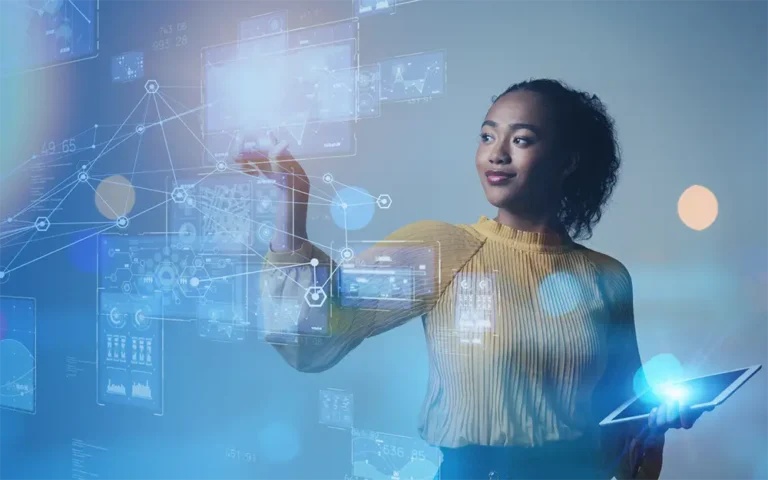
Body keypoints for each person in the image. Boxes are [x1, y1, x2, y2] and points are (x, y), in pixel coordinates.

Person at [236, 78, 710, 479]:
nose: (496, 154)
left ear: (568, 161)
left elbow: (627, 416)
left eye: (521, 140)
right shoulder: (443, 248)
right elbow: (312, 331)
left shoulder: (608, 277)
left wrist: (659, 421)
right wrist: (291, 199)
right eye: (487, 137)